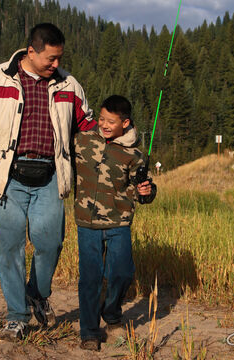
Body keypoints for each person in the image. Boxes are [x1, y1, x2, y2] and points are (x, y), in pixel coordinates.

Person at [0, 23, 95, 340]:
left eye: (59, 58)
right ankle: (17, 316)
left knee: (50, 243)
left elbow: (86, 127)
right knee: (11, 249)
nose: (56, 65)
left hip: (50, 176)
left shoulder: (69, 85)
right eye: (51, 58)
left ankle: (37, 293)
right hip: (7, 179)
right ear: (31, 51)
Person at [73, 95, 157, 351]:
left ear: (125, 123)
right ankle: (89, 331)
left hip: (119, 221)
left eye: (111, 121)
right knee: (90, 277)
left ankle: (111, 316)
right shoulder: (83, 140)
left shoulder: (135, 155)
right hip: (87, 221)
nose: (104, 125)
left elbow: (146, 189)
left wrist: (147, 191)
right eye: (101, 119)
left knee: (121, 273)